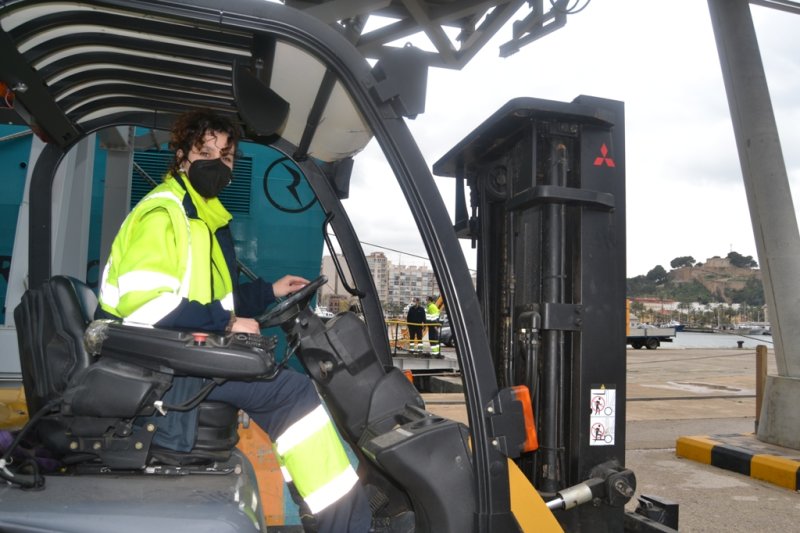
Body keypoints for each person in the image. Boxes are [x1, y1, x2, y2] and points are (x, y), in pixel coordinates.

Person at [96, 109, 371, 532]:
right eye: (205, 152)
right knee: (293, 394)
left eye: (225, 156)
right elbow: (146, 307)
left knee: (282, 384)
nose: (217, 164)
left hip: (174, 354)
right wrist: (226, 325)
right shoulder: (164, 214)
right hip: (155, 370)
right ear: (182, 155)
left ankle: (327, 514)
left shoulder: (203, 219)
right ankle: (345, 525)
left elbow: (214, 300)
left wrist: (270, 291)